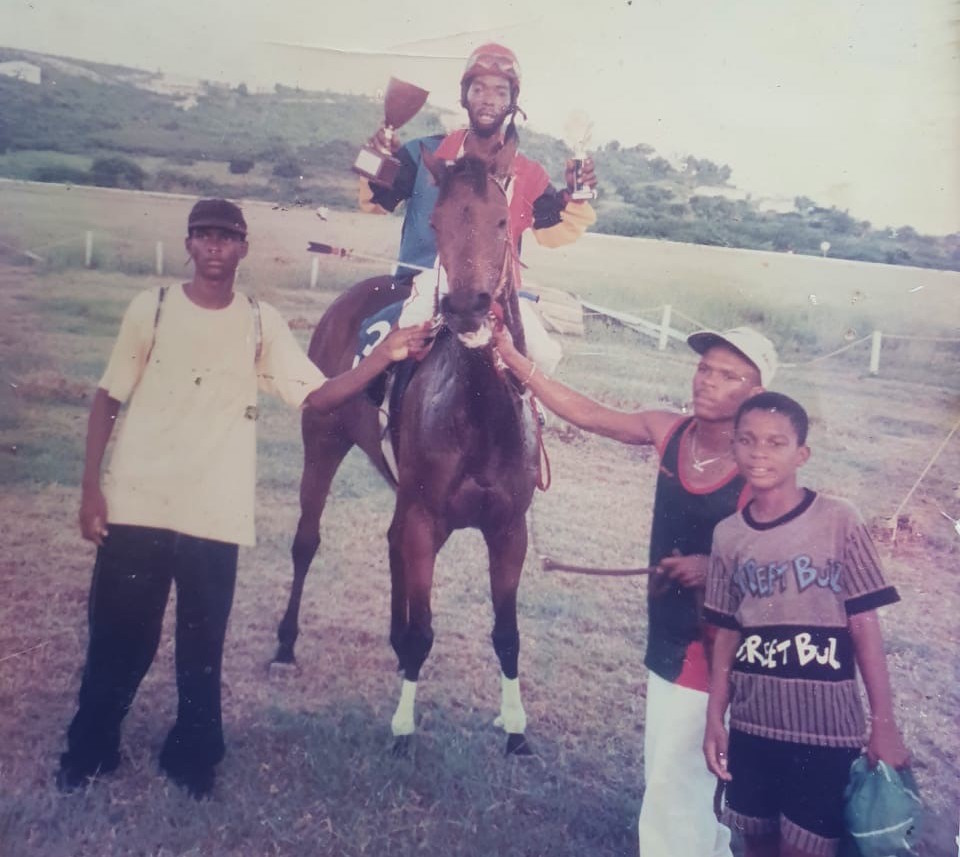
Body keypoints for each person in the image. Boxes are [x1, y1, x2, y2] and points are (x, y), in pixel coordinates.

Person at [56, 199, 430, 799]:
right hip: (137, 502)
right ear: (188, 244)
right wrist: (90, 488)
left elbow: (318, 396)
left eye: (226, 238)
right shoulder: (149, 309)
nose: (213, 248)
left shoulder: (261, 322)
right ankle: (90, 748)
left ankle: (194, 756)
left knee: (202, 645)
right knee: (121, 636)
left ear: (242, 248)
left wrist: (382, 357)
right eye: (203, 236)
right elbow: (107, 399)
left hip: (214, 512)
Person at [493, 324, 778, 856]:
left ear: (756, 394)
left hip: (719, 646)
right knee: (681, 771)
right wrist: (511, 357)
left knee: (675, 778)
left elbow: (784, 560)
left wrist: (713, 566)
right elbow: (587, 413)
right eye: (703, 369)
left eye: (727, 375)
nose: (707, 382)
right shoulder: (670, 431)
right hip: (668, 633)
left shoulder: (761, 467)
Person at [703, 392, 909, 857]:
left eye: (776, 443)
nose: (759, 452)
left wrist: (884, 723)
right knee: (752, 845)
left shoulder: (838, 519)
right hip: (753, 728)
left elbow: (864, 624)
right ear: (733, 446)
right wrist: (717, 716)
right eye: (748, 440)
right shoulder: (728, 535)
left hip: (826, 733)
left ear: (802, 454)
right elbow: (726, 633)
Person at [358, 42, 598, 373]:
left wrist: (577, 194)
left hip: (497, 295)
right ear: (464, 96)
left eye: (500, 92)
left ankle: (533, 422)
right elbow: (375, 201)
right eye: (479, 88)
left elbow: (556, 232)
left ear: (513, 102)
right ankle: (384, 417)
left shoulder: (527, 172)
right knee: (386, 354)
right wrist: (375, 153)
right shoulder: (424, 152)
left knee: (543, 355)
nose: (488, 98)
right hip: (424, 284)